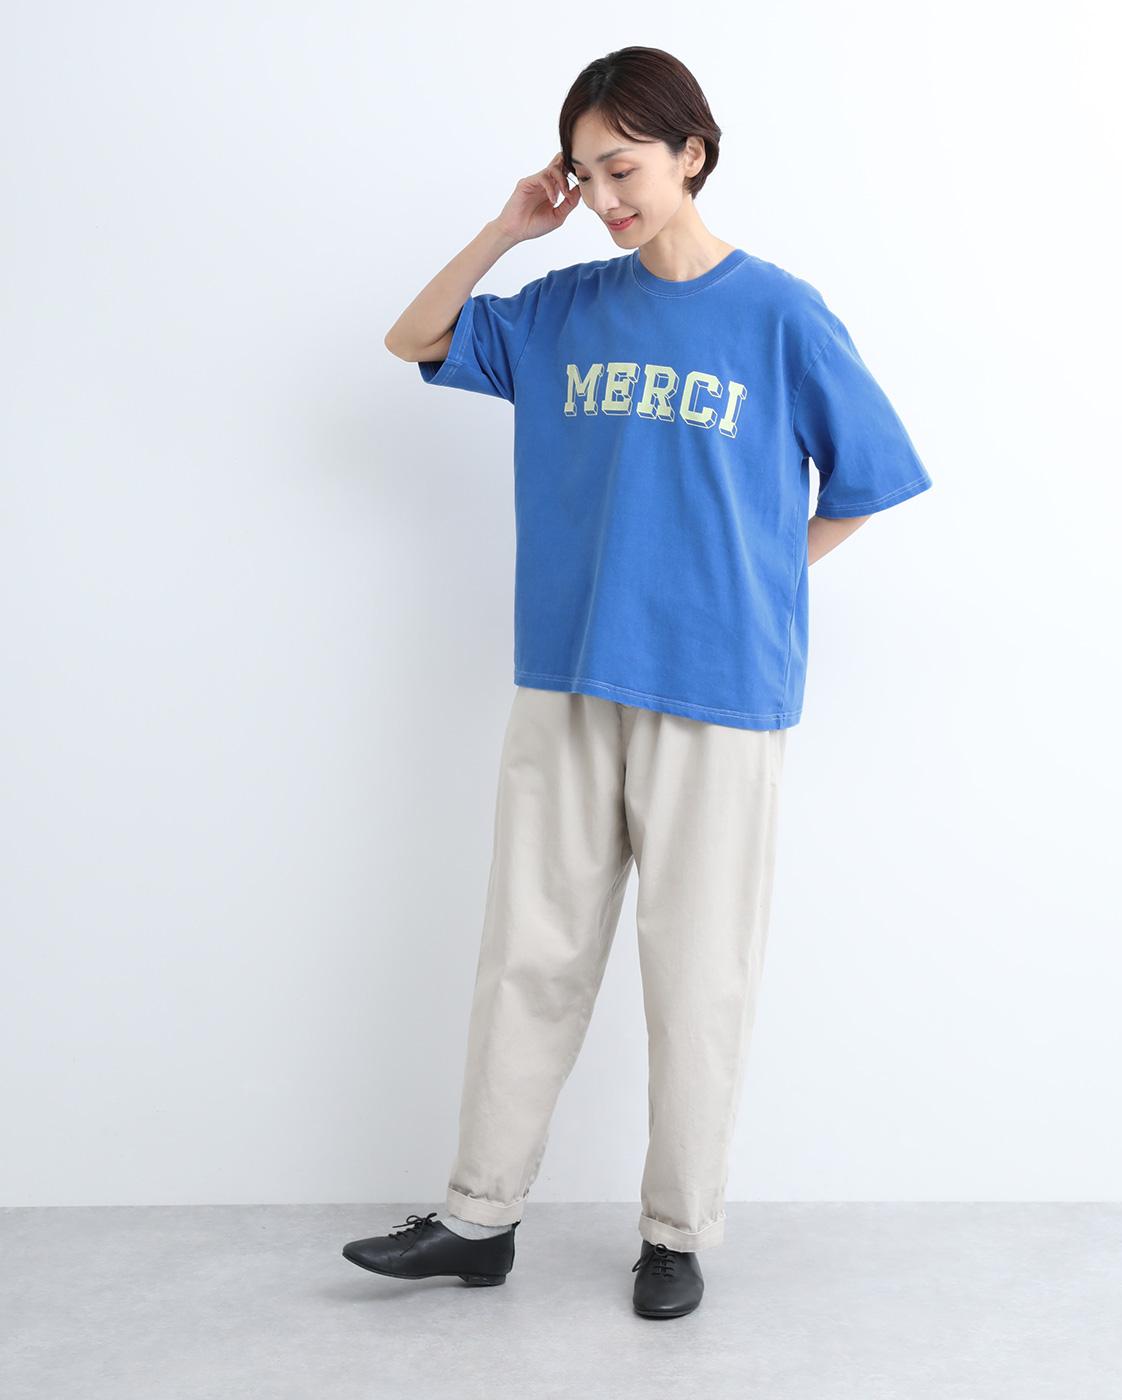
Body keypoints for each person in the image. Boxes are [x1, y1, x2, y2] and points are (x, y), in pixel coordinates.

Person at [343, 45, 932, 1320]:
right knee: (528, 954)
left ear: (691, 154)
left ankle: (676, 1233)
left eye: (624, 168)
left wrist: (760, 575)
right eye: (584, 172)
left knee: (698, 972)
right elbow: (414, 336)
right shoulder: (563, 308)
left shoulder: (780, 315)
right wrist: (509, 229)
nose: (604, 196)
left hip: (718, 687)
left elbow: (872, 478)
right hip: (567, 672)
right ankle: (478, 1216)